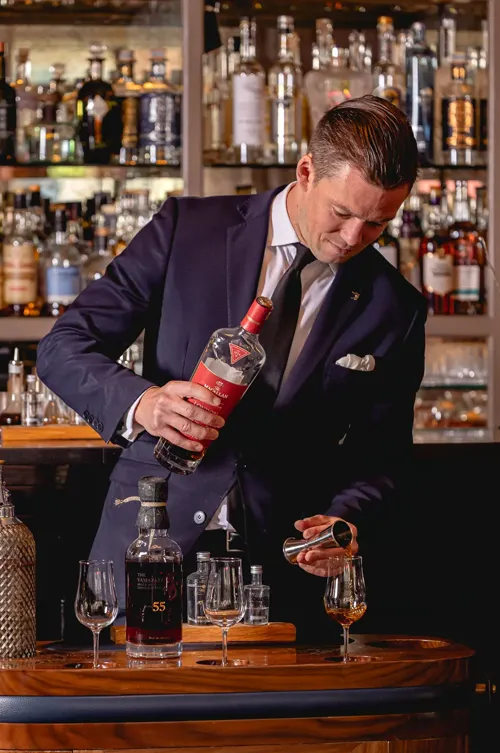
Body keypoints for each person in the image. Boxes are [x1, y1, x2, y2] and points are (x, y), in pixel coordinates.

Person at [37, 96, 426, 640]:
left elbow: (382, 457)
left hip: (279, 579)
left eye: (378, 224)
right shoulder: (186, 229)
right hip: (149, 545)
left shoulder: (394, 306)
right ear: (306, 171)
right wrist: (144, 404)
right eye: (342, 213)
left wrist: (344, 524)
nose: (353, 239)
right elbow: (63, 345)